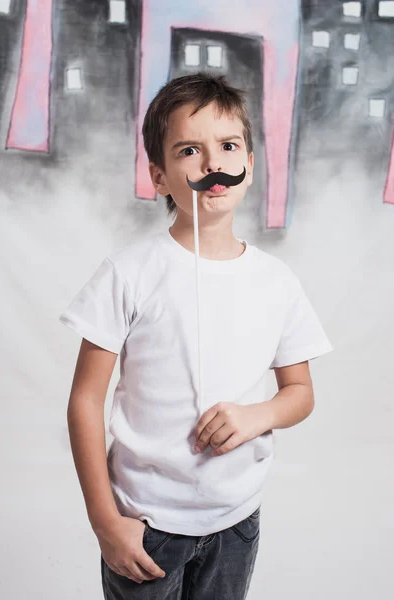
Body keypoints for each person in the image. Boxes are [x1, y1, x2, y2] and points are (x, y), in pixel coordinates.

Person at [60, 72, 333, 599]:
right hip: (144, 525)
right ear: (159, 176)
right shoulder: (129, 273)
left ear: (248, 165)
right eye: (190, 150)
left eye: (228, 146)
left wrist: (257, 416)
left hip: (236, 522)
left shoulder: (277, 282)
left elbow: (300, 394)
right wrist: (104, 521)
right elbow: (84, 399)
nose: (213, 165)